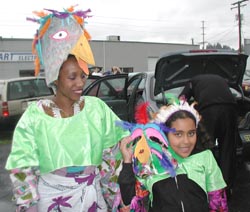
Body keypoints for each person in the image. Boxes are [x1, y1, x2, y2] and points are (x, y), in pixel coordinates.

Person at [5, 6, 130, 212]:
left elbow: (111, 160)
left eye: (82, 76)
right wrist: (29, 206)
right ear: (55, 77)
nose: (80, 83)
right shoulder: (35, 117)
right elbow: (22, 167)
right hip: (51, 203)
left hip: (92, 200)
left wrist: (118, 199)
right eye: (72, 77)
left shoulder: (96, 109)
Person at [117, 99, 228, 211]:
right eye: (178, 134)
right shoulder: (151, 161)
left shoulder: (205, 157)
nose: (186, 141)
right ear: (165, 135)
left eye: (191, 133)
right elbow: (131, 203)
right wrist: (127, 162)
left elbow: (218, 203)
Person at [178, 74, 238, 195]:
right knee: (227, 147)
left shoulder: (192, 81)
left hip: (209, 109)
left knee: (204, 147)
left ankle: (205, 184)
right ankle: (226, 187)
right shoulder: (219, 78)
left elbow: (182, 100)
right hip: (231, 108)